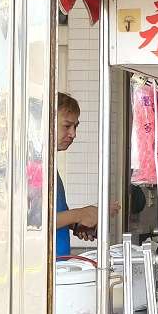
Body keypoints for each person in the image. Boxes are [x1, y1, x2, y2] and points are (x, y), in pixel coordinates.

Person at [55, 93, 98, 257]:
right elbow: (33, 223)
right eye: (67, 126)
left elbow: (56, 217)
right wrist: (80, 214)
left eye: (75, 126)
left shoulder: (49, 165)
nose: (73, 134)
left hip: (59, 265)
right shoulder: (31, 166)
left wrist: (79, 224)